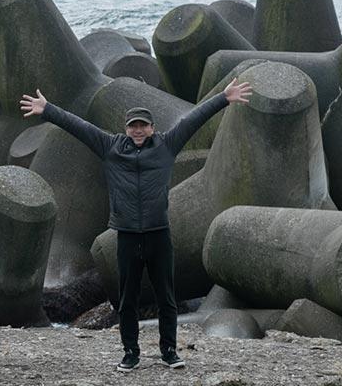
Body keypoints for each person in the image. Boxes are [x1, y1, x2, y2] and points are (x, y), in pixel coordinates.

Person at [19, 77, 253, 370]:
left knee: (166, 298)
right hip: (126, 237)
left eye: (143, 125)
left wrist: (224, 98)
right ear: (126, 128)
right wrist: (47, 109)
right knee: (127, 301)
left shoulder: (167, 145)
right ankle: (131, 353)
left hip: (159, 235)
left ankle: (169, 352)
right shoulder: (111, 147)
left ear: (152, 127)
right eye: (133, 126)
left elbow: (194, 118)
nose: (138, 130)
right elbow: (80, 127)